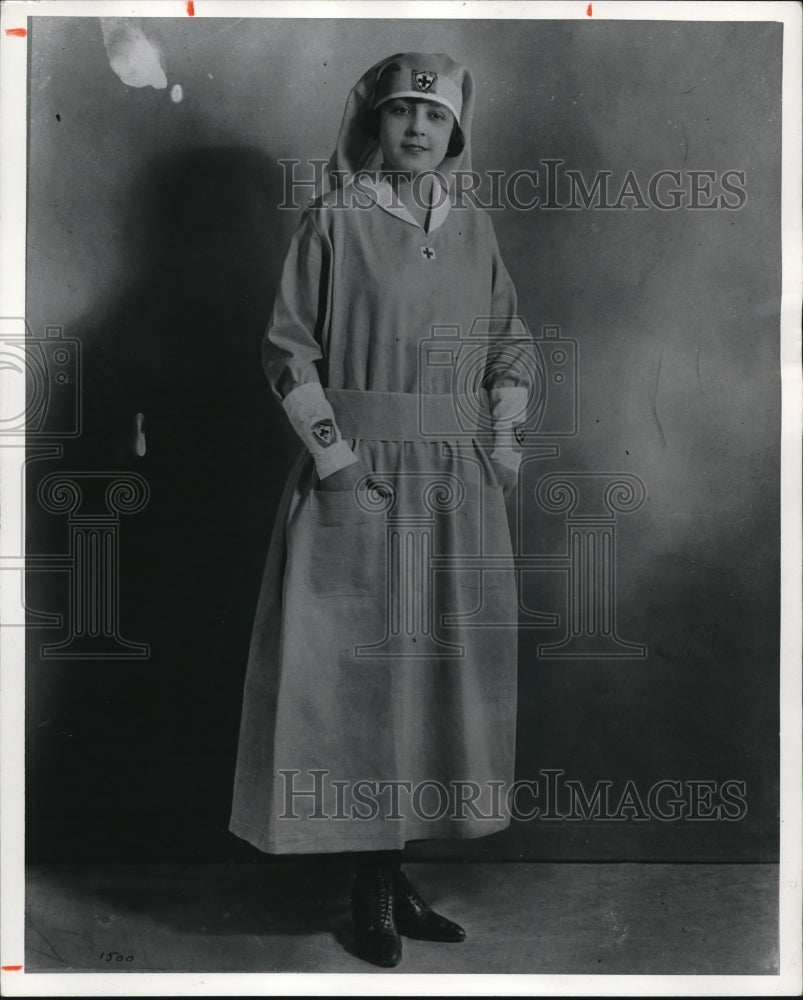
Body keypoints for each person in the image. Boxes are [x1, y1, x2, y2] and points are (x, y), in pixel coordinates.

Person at [230, 52, 536, 968]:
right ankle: (365, 882)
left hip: (454, 479)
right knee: (358, 681)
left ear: (455, 134)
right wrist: (332, 458)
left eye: (434, 118)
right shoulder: (336, 219)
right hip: (361, 473)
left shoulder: (474, 226)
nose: (416, 130)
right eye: (402, 112)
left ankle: (396, 871)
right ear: (376, 124)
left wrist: (504, 435)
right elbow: (289, 350)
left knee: (429, 678)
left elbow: (508, 338)